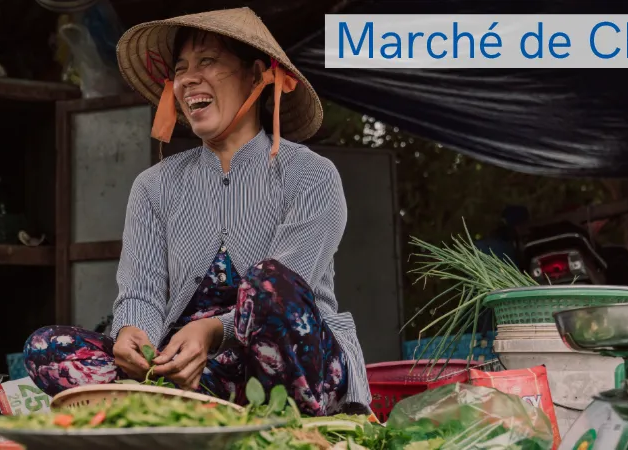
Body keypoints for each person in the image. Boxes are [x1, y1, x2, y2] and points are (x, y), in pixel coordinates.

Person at [22, 7, 372, 417]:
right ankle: (189, 413)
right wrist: (135, 335)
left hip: (298, 371)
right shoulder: (154, 186)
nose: (188, 79)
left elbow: (285, 294)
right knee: (47, 347)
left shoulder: (310, 175)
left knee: (269, 282)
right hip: (196, 376)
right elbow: (141, 292)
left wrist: (210, 330)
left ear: (257, 75)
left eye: (207, 61)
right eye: (181, 68)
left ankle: (270, 421)